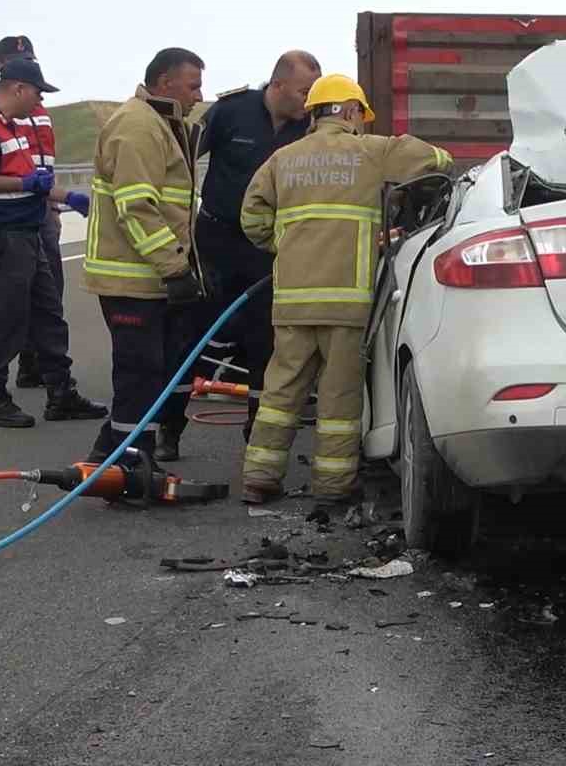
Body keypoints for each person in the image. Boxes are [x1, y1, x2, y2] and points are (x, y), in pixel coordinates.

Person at [238, 74, 453, 511]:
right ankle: (333, 486)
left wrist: (288, 244)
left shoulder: (282, 160)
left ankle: (259, 479)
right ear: (350, 111)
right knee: (338, 398)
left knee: (280, 392)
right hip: (346, 303)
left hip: (293, 303)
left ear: (315, 113)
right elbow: (438, 160)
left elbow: (252, 218)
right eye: (360, 114)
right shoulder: (372, 151)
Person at [157, 50, 321, 460]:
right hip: (216, 244)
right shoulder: (231, 112)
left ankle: (257, 440)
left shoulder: (310, 126)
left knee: (264, 347)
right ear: (278, 85)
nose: (308, 99)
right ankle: (168, 431)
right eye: (303, 90)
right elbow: (180, 159)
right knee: (194, 342)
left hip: (266, 249)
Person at [0, 59, 107, 428]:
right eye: (37, 93)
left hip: (28, 233)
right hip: (0, 239)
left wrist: (67, 196)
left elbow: (29, 179)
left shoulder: (11, 128)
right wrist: (25, 186)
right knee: (3, 320)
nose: (39, 102)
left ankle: (60, 394)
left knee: (48, 317)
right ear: (18, 88)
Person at [81, 48, 206, 464]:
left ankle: (120, 455)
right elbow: (136, 205)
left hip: (146, 277)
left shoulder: (162, 124)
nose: (198, 95)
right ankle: (127, 462)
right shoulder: (138, 126)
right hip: (131, 278)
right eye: (193, 85)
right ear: (165, 82)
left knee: (155, 371)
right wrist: (174, 267)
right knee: (139, 373)